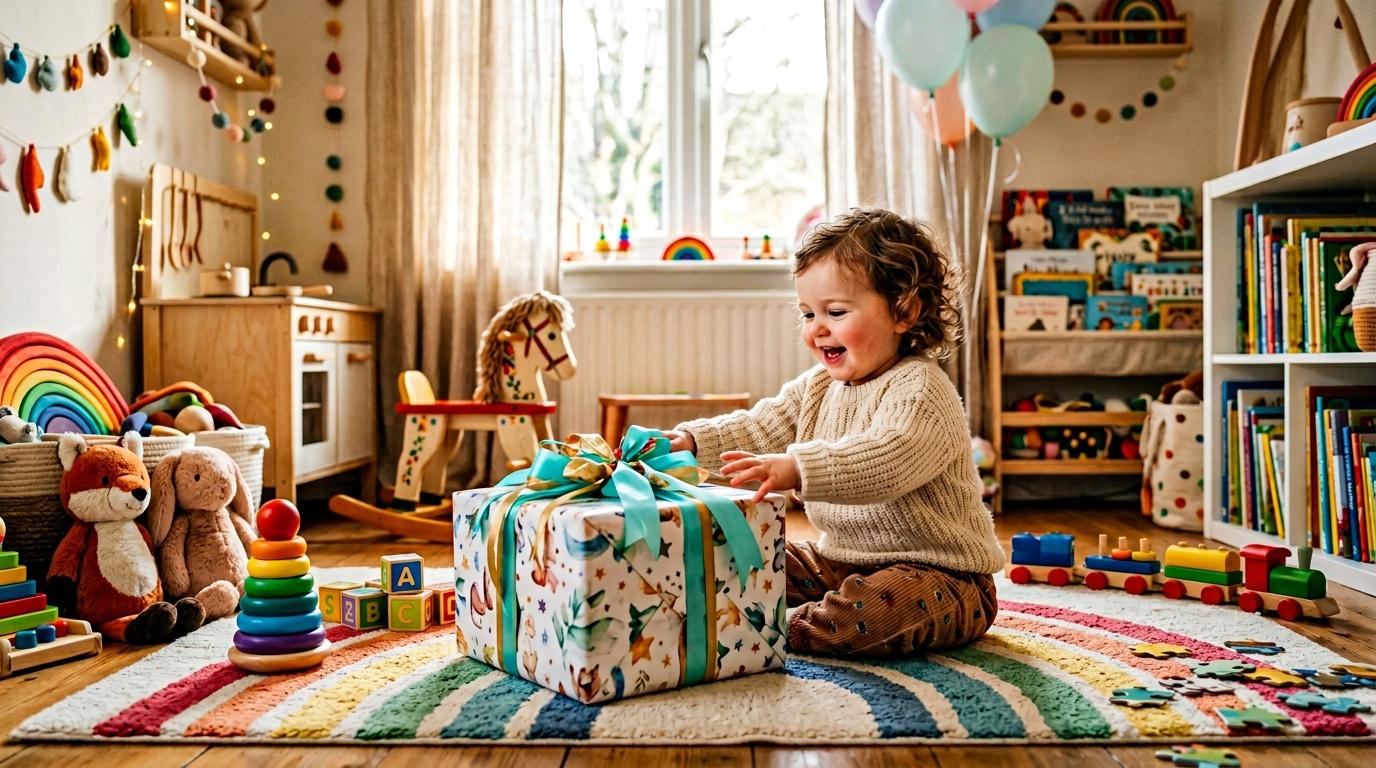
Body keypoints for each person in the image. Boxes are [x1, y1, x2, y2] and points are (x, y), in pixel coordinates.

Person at [664, 207, 1004, 658]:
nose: (817, 328)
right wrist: (691, 441)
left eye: (836, 311)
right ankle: (730, 605)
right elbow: (762, 425)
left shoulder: (921, 388)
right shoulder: (821, 385)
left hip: (943, 576)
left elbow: (886, 460)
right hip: (842, 561)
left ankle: (771, 628)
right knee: (750, 557)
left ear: (905, 311)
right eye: (807, 313)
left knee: (862, 613)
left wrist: (798, 467)